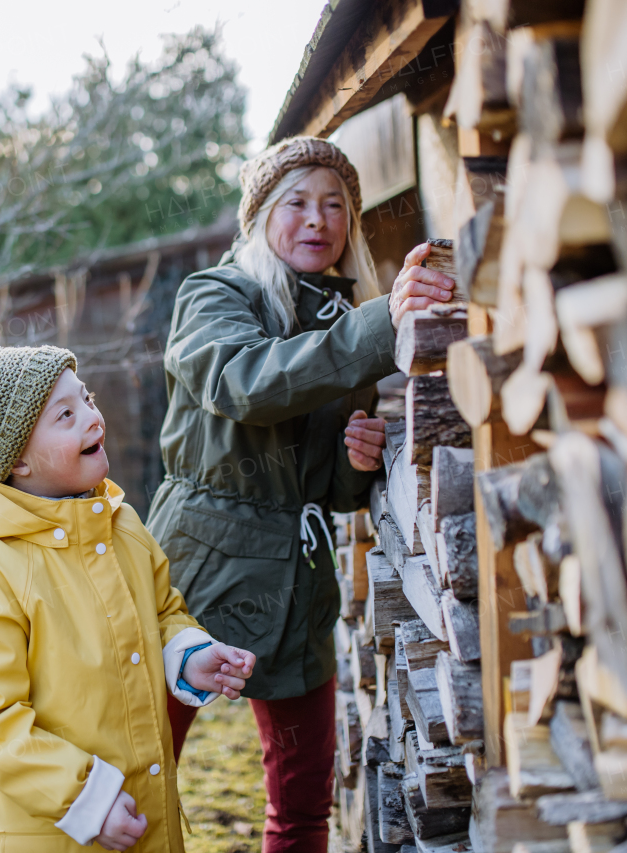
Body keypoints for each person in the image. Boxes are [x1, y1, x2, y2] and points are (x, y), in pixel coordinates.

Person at [145, 135, 455, 852]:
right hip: (196, 570)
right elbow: (245, 384)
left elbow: (332, 487)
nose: (319, 220)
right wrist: (381, 321)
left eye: (335, 205)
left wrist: (356, 462)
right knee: (141, 769)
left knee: (302, 798)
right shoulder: (214, 296)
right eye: (297, 203)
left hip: (299, 583)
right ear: (259, 216)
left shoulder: (339, 316)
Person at [0, 342, 257, 852]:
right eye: (65, 415)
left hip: (146, 819)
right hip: (55, 834)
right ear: (18, 459)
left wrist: (188, 654)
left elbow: (160, 613)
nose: (92, 417)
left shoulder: (122, 527)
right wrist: (86, 799)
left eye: (86, 398)